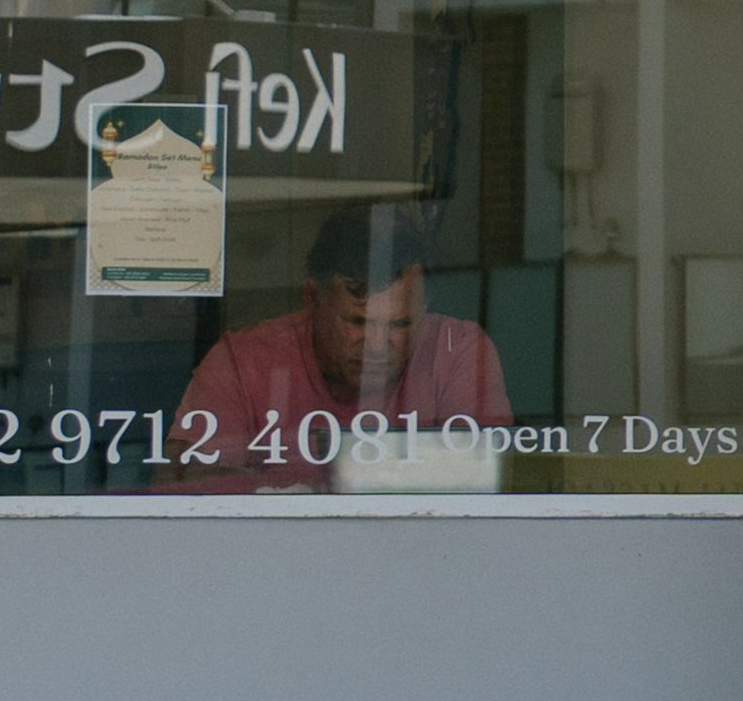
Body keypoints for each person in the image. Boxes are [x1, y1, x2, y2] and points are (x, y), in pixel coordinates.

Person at [169, 198, 512, 490]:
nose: (376, 345)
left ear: (424, 309)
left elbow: (485, 484)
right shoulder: (242, 362)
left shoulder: (457, 351)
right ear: (312, 298)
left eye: (400, 325)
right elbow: (184, 489)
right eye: (357, 322)